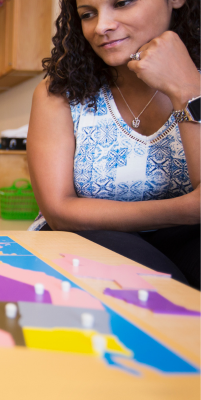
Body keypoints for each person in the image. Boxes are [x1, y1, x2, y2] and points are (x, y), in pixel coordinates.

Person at [27, 0, 200, 288]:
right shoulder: (58, 93)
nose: (101, 26)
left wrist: (187, 88)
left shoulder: (194, 83)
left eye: (122, 3)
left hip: (186, 238)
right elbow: (59, 211)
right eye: (88, 14)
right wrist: (186, 210)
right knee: (151, 284)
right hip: (85, 234)